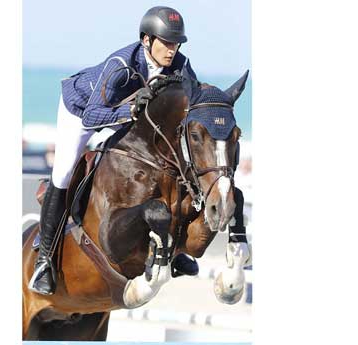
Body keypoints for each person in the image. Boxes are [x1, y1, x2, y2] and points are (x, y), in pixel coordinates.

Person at [29, 6, 248, 296]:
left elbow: (191, 104)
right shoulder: (122, 65)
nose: (172, 50)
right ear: (147, 41)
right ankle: (45, 259)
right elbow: (91, 116)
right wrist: (130, 109)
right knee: (65, 172)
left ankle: (174, 247)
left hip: (125, 116)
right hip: (82, 110)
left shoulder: (181, 66)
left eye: (176, 43)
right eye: (166, 43)